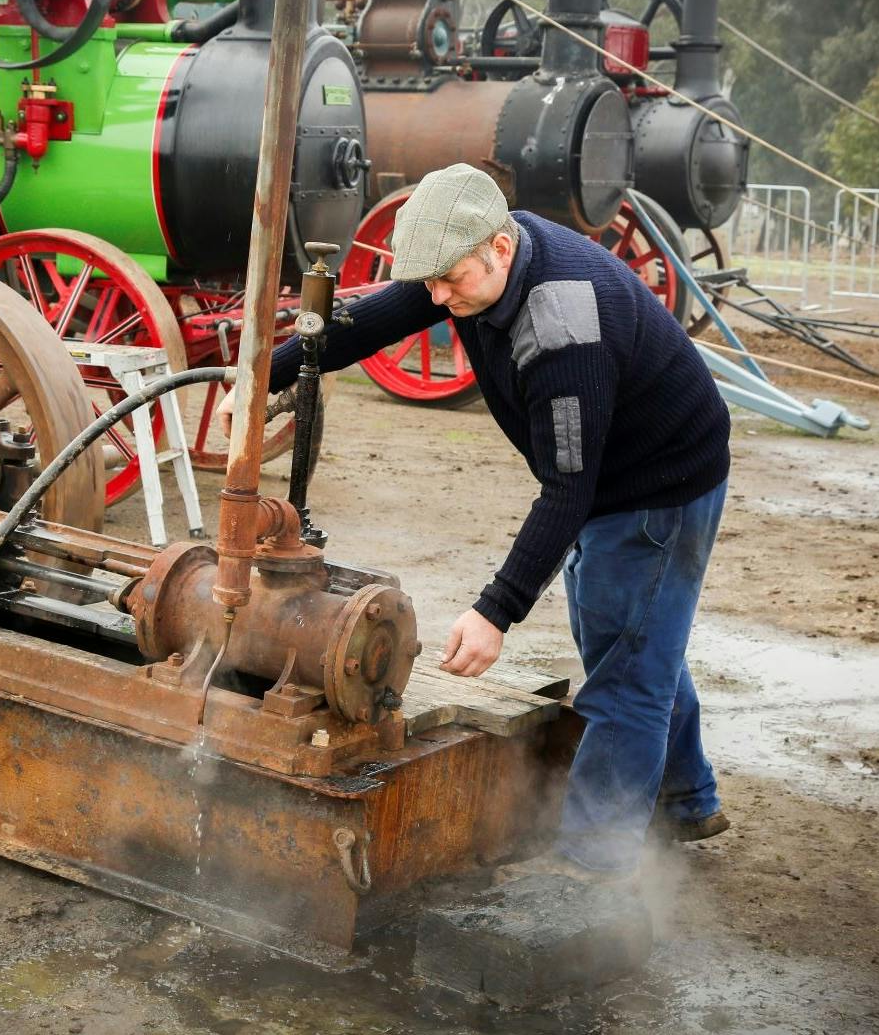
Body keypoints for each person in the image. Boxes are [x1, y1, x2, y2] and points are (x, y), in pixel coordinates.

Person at [219, 163, 733, 881]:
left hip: (658, 486)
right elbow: (386, 315)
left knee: (625, 679)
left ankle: (592, 874)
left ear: (498, 246)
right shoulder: (479, 264)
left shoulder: (560, 330)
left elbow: (567, 490)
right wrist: (263, 375)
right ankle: (686, 800)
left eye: (448, 280)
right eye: (429, 281)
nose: (436, 297)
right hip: (617, 471)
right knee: (636, 644)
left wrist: (496, 611)